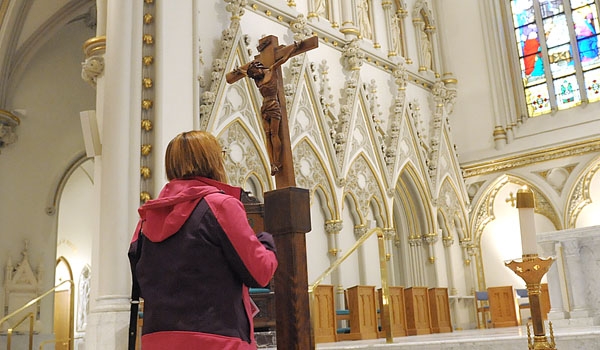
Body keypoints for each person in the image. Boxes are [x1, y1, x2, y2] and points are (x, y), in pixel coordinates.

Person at [128, 130, 278, 350]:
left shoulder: (146, 219)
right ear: (214, 161)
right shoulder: (220, 206)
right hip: (216, 339)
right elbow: (260, 272)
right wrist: (267, 242)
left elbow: (141, 284)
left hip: (157, 340)